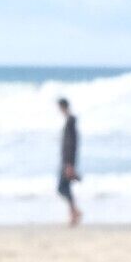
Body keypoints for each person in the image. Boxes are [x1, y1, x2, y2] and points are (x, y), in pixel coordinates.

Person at [56, 97, 82, 227]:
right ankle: (74, 212)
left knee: (62, 187)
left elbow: (71, 144)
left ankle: (74, 212)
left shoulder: (70, 121)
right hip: (67, 161)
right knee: (65, 187)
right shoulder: (69, 121)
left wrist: (69, 164)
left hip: (67, 161)